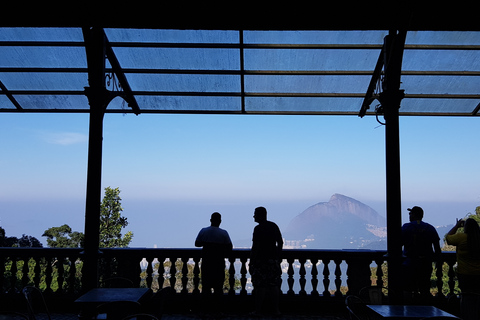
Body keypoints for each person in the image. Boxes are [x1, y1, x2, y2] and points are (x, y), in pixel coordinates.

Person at [195, 212, 232, 313]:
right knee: (218, 287)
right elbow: (229, 247)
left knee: (206, 287)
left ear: (210, 220)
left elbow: (197, 243)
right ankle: (218, 309)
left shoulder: (204, 231)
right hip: (219, 263)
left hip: (207, 262)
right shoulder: (224, 233)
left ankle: (205, 309)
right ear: (220, 221)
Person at [401, 206, 441, 300]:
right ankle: (425, 310)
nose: (409, 215)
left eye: (410, 214)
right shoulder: (430, 228)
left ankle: (408, 311)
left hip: (409, 263)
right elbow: (437, 248)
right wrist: (438, 262)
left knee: (408, 289)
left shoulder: (406, 227)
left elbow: (398, 243)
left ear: (414, 215)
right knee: (424, 289)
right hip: (425, 264)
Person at [250, 206, 283, 315]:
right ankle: (276, 310)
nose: (254, 216)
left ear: (260, 215)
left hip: (260, 261)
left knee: (260, 286)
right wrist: (278, 255)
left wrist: (252, 261)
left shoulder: (258, 229)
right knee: (273, 285)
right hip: (272, 260)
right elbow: (280, 242)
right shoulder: (273, 226)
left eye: (255, 214)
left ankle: (258, 310)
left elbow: (255, 246)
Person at [446, 218, 480, 293]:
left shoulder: (461, 237)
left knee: (466, 294)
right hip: (478, 273)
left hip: (464, 273)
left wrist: (457, 226)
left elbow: (448, 238)